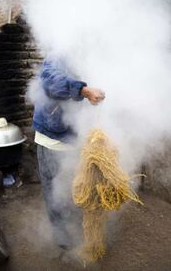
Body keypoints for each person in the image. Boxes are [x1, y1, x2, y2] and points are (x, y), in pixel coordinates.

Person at [32, 58, 105, 250]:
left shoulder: (86, 54)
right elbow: (51, 83)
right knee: (53, 190)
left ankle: (75, 225)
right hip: (52, 140)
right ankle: (61, 235)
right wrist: (85, 91)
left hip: (75, 139)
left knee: (76, 186)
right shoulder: (58, 53)